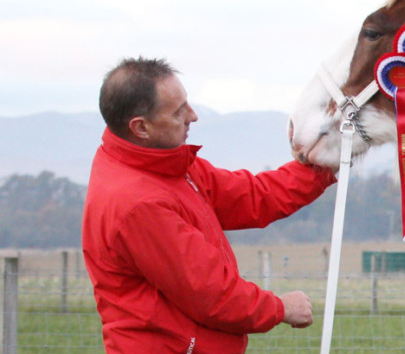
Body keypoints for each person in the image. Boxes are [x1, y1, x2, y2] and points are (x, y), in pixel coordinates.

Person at [81, 57, 336, 354]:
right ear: (141, 128)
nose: (193, 116)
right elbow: (212, 294)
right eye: (178, 112)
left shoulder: (164, 165)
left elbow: (252, 196)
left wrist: (325, 163)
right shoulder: (138, 203)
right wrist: (280, 308)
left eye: (187, 103)